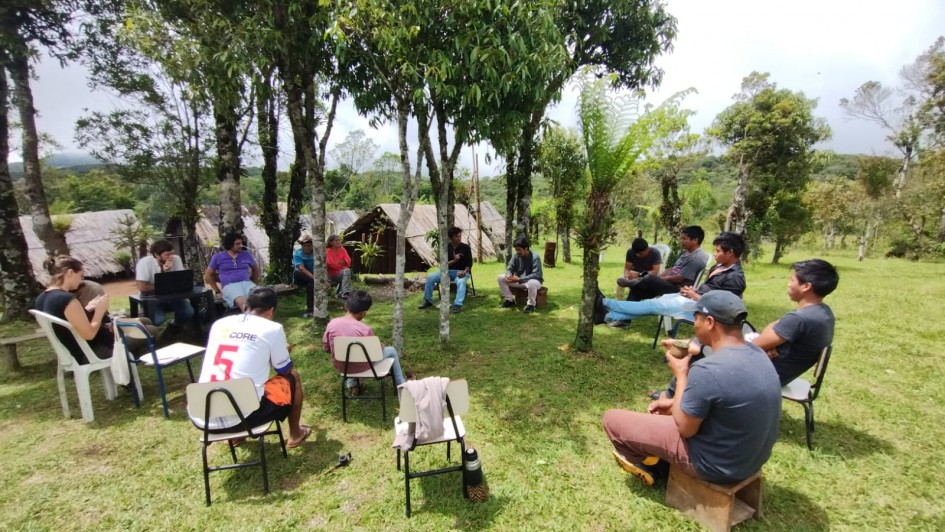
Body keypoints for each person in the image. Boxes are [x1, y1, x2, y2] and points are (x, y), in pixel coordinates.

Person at [602, 291, 782, 486]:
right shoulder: (758, 353)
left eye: (696, 319)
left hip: (716, 466)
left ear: (710, 322)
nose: (694, 326)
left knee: (612, 419)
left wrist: (681, 375)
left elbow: (685, 429)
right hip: (749, 460)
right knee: (666, 412)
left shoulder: (709, 368)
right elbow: (729, 404)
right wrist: (673, 403)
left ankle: (655, 466)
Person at [190, 287, 311, 448]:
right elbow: (284, 370)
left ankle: (233, 437)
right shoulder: (272, 329)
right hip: (245, 416)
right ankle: (295, 433)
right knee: (293, 376)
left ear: (246, 306)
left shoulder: (220, 324)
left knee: (238, 382)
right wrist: (283, 351)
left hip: (202, 415)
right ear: (271, 310)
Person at [602, 232, 746, 325]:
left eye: (718, 251)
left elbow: (725, 309)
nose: (714, 254)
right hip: (690, 298)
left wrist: (695, 296)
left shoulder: (735, 277)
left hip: (699, 309)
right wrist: (694, 290)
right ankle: (608, 315)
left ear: (730, 252)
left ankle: (606, 302)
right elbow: (710, 290)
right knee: (653, 302)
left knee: (653, 305)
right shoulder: (719, 266)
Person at [752, 259, 838, 386]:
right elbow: (773, 327)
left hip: (764, 376)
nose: (788, 284)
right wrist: (769, 343)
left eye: (792, 280)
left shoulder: (799, 319)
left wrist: (766, 343)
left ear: (806, 286)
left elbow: (751, 346)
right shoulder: (823, 312)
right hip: (783, 374)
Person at [323, 290, 407, 396]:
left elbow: (326, 348)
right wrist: (381, 345)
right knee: (391, 350)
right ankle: (401, 384)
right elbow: (375, 354)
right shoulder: (365, 329)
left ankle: (353, 386)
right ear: (364, 313)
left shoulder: (332, 324)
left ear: (345, 306)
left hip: (342, 366)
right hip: (364, 366)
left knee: (350, 355)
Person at [33, 256, 113, 363]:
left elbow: (64, 318)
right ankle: (127, 379)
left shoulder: (42, 298)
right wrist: (99, 311)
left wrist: (88, 309)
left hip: (69, 352)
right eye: (81, 276)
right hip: (88, 353)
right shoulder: (67, 299)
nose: (81, 280)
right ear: (70, 273)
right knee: (139, 338)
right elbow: (89, 334)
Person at [623, 226, 710, 302]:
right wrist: (658, 279)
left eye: (684, 239)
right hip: (667, 284)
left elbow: (679, 279)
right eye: (681, 238)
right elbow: (671, 269)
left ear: (695, 240)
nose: (681, 241)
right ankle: (623, 319)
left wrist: (659, 279)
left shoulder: (697, 258)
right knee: (636, 290)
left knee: (648, 278)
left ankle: (635, 282)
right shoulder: (684, 253)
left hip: (678, 288)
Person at [135, 239, 195, 327]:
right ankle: (148, 332)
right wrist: (165, 276)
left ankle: (173, 326)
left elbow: (180, 281)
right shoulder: (145, 263)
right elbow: (143, 287)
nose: (170, 257)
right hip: (153, 298)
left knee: (188, 312)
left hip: (173, 297)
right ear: (156, 255)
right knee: (158, 320)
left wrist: (169, 273)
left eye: (172, 253)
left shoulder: (176, 259)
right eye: (167, 254)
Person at [419, 226, 473, 314]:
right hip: (446, 271)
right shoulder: (446, 248)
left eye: (460, 236)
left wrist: (464, 272)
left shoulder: (466, 247)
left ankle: (457, 305)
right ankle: (428, 301)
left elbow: (470, 263)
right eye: (457, 236)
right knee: (430, 277)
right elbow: (443, 265)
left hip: (461, 272)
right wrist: (454, 260)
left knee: (461, 282)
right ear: (451, 238)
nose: (459, 238)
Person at [204, 232, 260, 312]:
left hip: (247, 283)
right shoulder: (218, 257)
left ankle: (259, 321)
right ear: (230, 244)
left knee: (259, 299)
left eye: (241, 243)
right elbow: (208, 276)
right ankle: (250, 321)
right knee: (242, 302)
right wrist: (217, 291)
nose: (241, 245)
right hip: (230, 286)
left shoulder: (246, 255)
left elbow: (255, 270)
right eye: (237, 244)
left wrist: (254, 283)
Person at [497, 236, 543, 313]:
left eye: (519, 249)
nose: (517, 252)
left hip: (534, 282)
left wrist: (520, 279)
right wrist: (509, 275)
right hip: (520, 281)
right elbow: (510, 268)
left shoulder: (535, 256)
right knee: (500, 277)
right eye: (516, 250)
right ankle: (509, 300)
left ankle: (531, 305)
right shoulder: (516, 256)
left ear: (526, 248)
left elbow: (536, 274)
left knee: (532, 283)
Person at [292, 234, 317, 318]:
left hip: (311, 277)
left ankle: (310, 309)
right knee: (298, 272)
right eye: (304, 245)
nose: (307, 247)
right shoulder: (297, 253)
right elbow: (301, 268)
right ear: (302, 245)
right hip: (300, 276)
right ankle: (311, 309)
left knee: (310, 284)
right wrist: (314, 278)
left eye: (309, 245)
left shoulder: (316, 253)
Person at [326, 234, 353, 299]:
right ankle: (344, 293)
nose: (339, 242)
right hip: (331, 275)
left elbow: (348, 261)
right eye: (336, 240)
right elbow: (330, 264)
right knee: (346, 271)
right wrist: (342, 263)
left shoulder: (342, 249)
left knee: (347, 271)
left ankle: (342, 293)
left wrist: (339, 262)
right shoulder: (327, 251)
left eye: (339, 240)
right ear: (331, 242)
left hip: (341, 273)